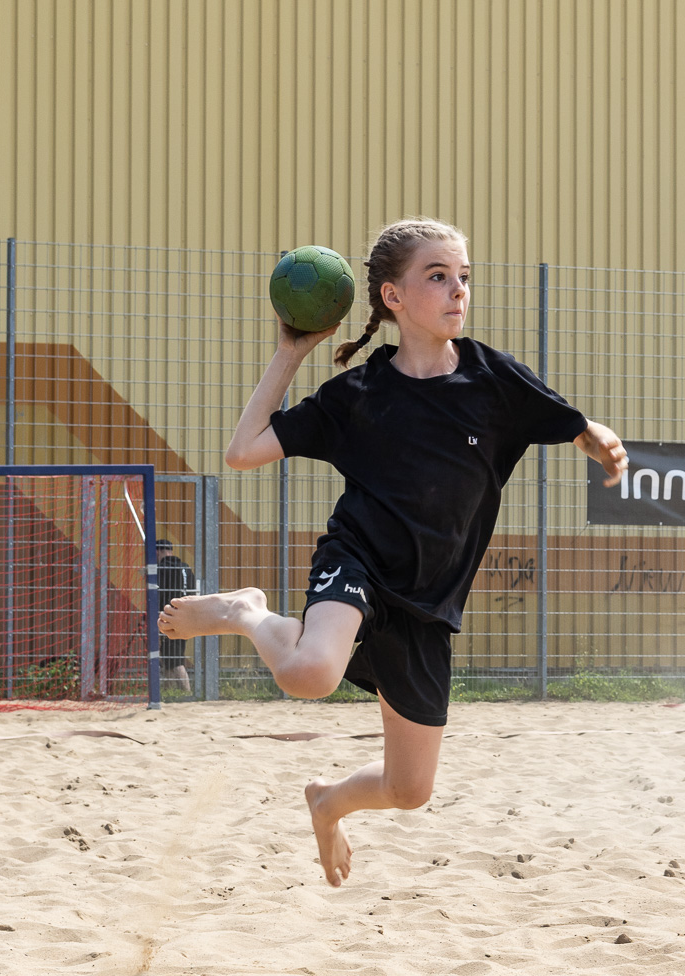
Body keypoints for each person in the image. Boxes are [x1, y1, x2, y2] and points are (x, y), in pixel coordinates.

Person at [158, 218, 628, 887]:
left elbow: (573, 422)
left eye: (463, 276)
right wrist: (292, 349)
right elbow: (244, 449)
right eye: (437, 276)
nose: (457, 289)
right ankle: (244, 612)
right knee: (311, 674)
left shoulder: (494, 382)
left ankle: (328, 801)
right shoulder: (359, 395)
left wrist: (601, 438)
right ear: (393, 297)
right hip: (360, 562)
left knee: (410, 789)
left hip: (430, 606)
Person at [154, 538, 198, 693]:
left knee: (175, 660)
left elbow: (157, 596)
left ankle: (188, 693)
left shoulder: (162, 569)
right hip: (186, 617)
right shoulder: (185, 568)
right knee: (168, 658)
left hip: (170, 618)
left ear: (157, 552)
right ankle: (167, 692)